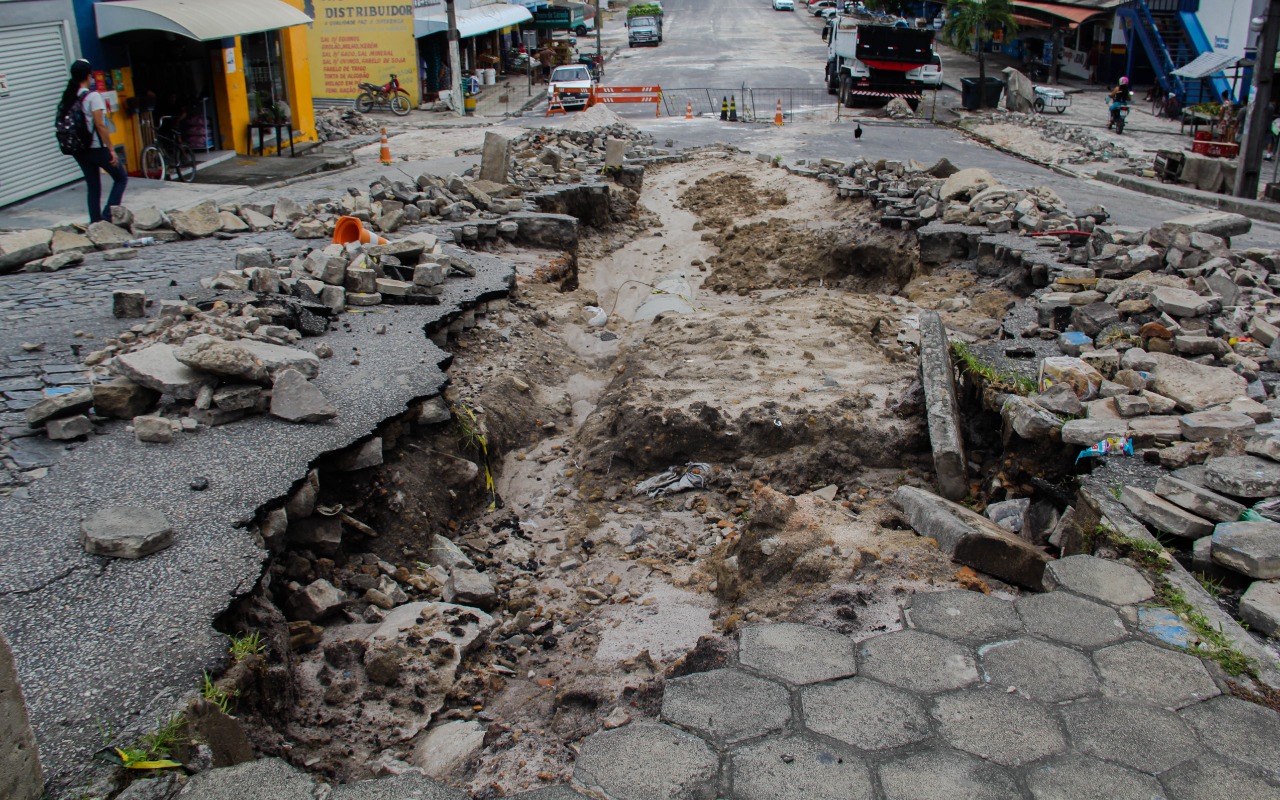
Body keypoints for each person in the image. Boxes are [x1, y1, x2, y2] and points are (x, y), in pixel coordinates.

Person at [62, 59, 126, 223]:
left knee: (93, 186)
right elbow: (100, 125)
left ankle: (95, 223)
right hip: (96, 148)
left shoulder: (68, 96)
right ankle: (107, 216)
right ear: (88, 75)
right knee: (120, 178)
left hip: (79, 150)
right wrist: (111, 149)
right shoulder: (93, 96)